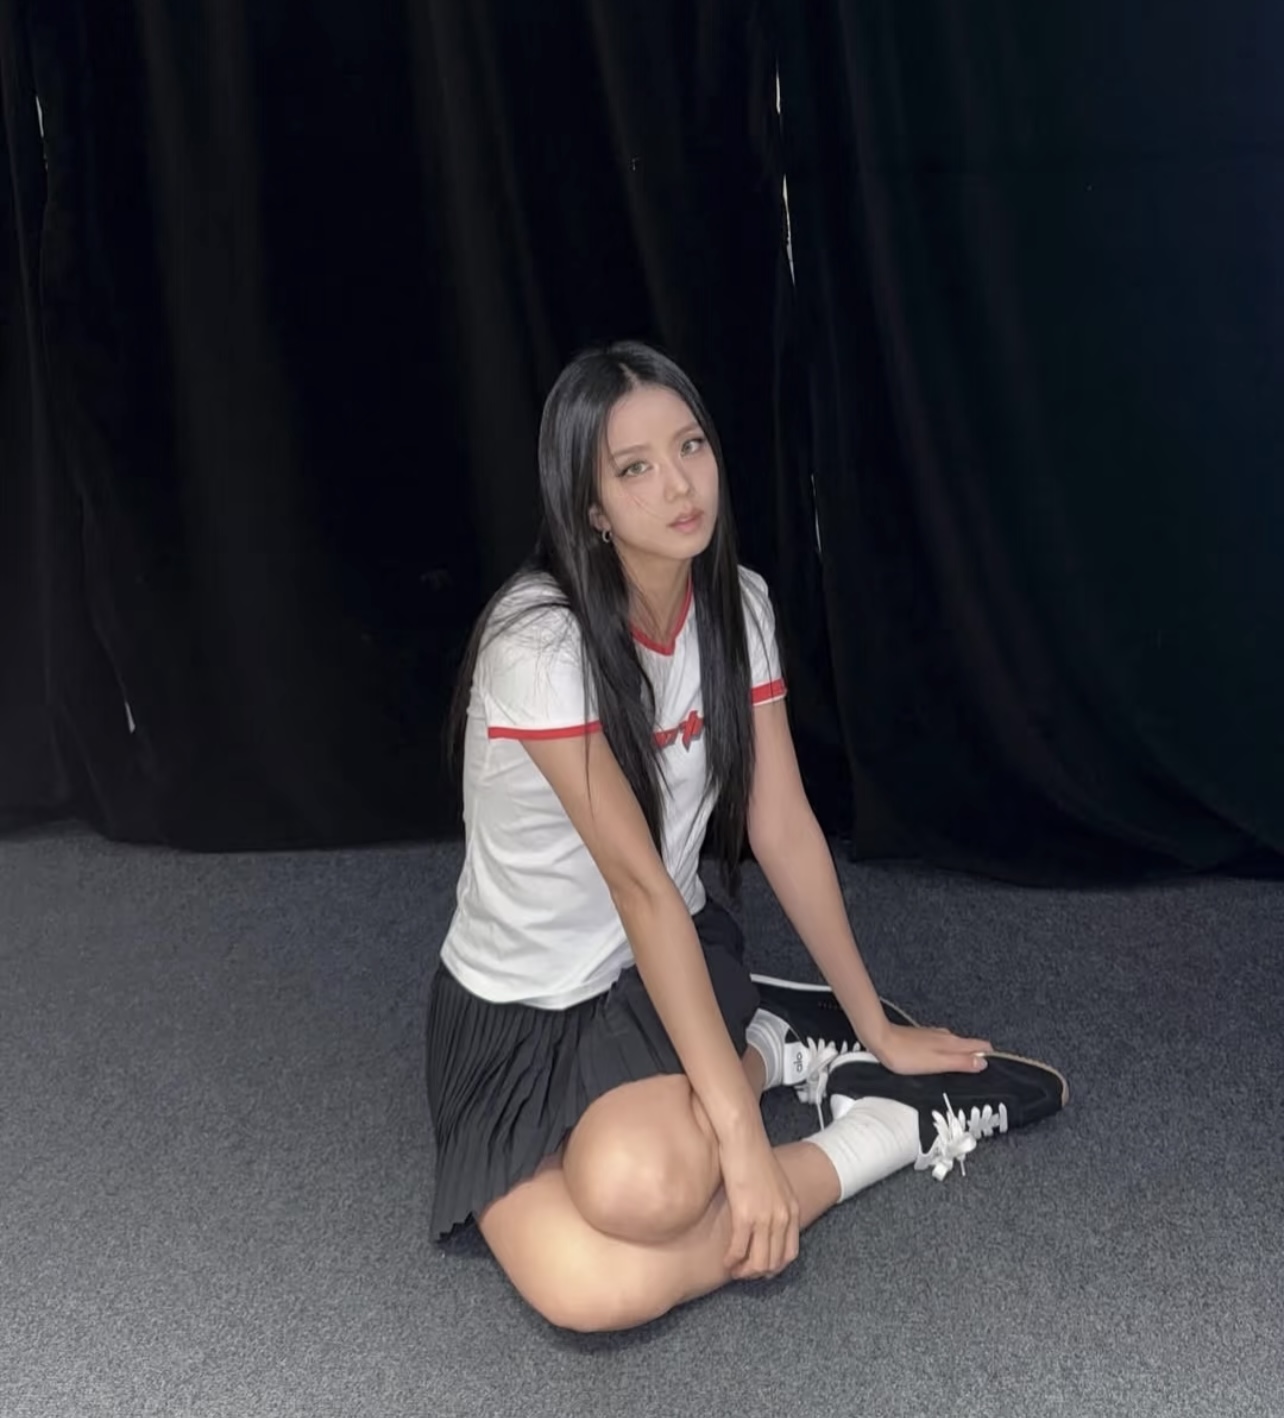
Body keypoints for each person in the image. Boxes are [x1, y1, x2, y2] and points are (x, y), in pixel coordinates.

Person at [426, 340, 1066, 1333]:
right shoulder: (540, 644)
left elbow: (783, 826)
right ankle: (840, 1098)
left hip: (660, 968)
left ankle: (824, 1064)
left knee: (647, 1187)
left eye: (691, 446)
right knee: (593, 1295)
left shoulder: (740, 606)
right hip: (516, 1008)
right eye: (635, 468)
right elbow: (636, 882)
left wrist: (877, 1023)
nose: (679, 485)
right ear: (591, 509)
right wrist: (745, 1142)